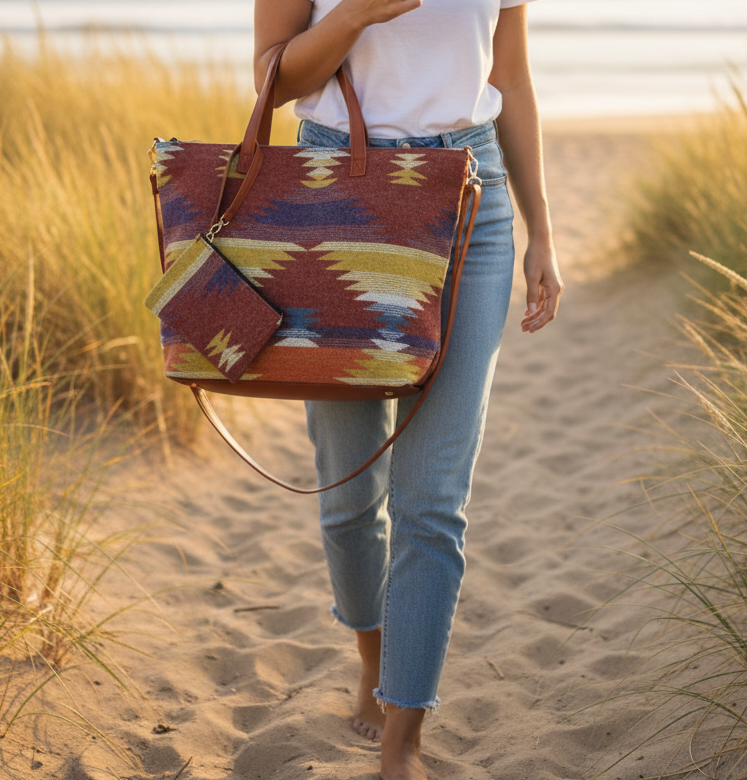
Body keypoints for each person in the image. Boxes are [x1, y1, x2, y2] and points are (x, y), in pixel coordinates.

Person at [253, 1, 563, 778]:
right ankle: (371, 657)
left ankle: (403, 740)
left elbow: (511, 81)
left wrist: (541, 235)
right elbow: (272, 75)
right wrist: (355, 14)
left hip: (471, 198)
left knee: (432, 503)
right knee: (351, 495)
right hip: (336, 194)